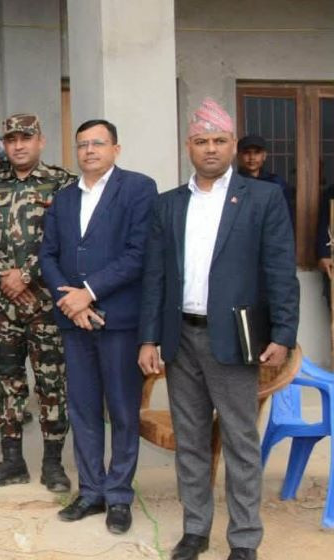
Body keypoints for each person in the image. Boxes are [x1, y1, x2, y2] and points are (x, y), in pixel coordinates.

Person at [139, 99, 299, 560]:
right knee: (190, 440)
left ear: (232, 146)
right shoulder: (169, 204)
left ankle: (244, 539)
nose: (210, 148)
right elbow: (155, 276)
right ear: (188, 146)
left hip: (234, 337)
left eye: (219, 140)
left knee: (240, 441)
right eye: (201, 140)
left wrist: (283, 335)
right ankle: (195, 530)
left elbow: (280, 270)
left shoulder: (262, 198)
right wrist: (149, 338)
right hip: (180, 339)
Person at [39, 119, 157, 534]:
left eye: (98, 143)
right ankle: (91, 491)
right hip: (75, 321)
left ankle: (119, 495)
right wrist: (70, 302)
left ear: (115, 149)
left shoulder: (138, 188)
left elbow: (139, 253)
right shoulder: (65, 197)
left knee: (122, 411)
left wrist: (88, 292)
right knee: (84, 409)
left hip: (119, 320)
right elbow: (48, 255)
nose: (89, 151)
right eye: (83, 144)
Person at [0, 114, 75, 493]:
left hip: (46, 303)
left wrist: (28, 274)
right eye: (11, 139)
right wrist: (5, 277)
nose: (18, 145)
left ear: (41, 141)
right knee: (6, 381)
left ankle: (53, 463)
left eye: (25, 138)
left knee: (52, 382)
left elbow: (66, 238)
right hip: (2, 303)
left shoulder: (62, 184)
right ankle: (12, 461)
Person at [236, 134, 294, 226]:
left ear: (264, 156)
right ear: (239, 156)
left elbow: (285, 217)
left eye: (257, 153)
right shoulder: (233, 183)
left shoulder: (276, 183)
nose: (252, 157)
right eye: (247, 153)